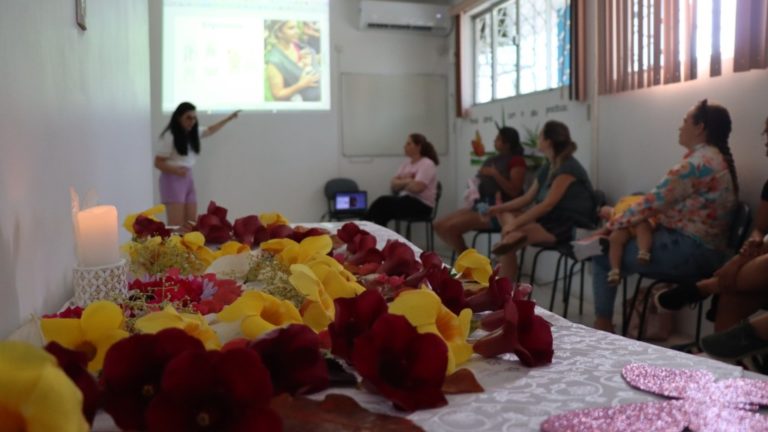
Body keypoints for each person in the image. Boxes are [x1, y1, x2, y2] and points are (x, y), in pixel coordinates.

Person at [591, 99, 738, 333]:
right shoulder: (715, 159)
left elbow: (650, 204)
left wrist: (609, 225)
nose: (680, 127)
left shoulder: (696, 164)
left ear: (700, 127)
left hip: (691, 251)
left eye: (684, 122)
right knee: (629, 236)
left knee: (600, 253)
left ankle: (603, 327)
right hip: (706, 251)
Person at [656, 116, 768, 333]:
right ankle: (724, 358)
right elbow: (761, 230)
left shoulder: (702, 163)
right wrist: (749, 248)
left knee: (734, 279)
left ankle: (707, 286)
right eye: (765, 132)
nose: (765, 139)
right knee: (734, 289)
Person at [486, 120, 596, 281]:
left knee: (508, 245)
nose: (538, 139)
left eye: (540, 136)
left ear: (548, 141)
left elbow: (547, 205)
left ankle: (504, 294)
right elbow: (527, 198)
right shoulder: (549, 165)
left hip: (568, 225)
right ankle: (513, 237)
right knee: (506, 215)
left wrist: (514, 224)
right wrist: (497, 208)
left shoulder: (568, 168)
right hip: (550, 220)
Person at [433, 126, 527, 254]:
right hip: (481, 204)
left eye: (498, 139)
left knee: (450, 228)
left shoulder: (517, 161)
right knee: (439, 225)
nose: (494, 141)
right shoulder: (492, 159)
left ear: (507, 144)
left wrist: (495, 174)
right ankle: (467, 257)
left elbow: (514, 191)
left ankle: (468, 262)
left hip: (500, 209)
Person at [154, 102, 240, 227]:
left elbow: (210, 129)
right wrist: (175, 170)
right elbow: (158, 162)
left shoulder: (193, 133)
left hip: (187, 177)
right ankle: (173, 247)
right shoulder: (170, 136)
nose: (192, 121)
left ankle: (188, 246)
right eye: (188, 117)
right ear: (179, 117)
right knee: (176, 224)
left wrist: (228, 118)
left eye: (194, 118)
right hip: (173, 179)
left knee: (191, 223)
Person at [572, 194, 657, 286]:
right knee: (614, 239)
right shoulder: (615, 214)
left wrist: (589, 236)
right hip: (624, 226)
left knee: (643, 227)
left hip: (639, 218)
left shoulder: (622, 206)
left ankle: (644, 252)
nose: (600, 214)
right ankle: (615, 271)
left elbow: (603, 230)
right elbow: (606, 229)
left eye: (600, 210)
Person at [366, 133, 439, 227]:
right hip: (406, 200)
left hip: (422, 205)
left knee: (382, 202)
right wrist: (408, 181)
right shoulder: (406, 163)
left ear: (418, 146)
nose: (404, 146)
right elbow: (393, 184)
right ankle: (378, 237)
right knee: (381, 212)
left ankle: (363, 224)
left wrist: (401, 183)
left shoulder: (427, 164)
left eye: (409, 144)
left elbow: (417, 188)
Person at [265, 20, 320, 102]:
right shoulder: (274, 61)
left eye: (296, 27)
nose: (297, 31)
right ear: (279, 33)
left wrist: (310, 60)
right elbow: (278, 94)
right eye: (291, 28)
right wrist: (301, 85)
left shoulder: (296, 44)